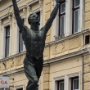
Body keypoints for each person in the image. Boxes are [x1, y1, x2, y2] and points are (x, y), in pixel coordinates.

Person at [12, 0, 61, 90]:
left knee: (35, 84)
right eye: (33, 16)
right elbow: (17, 15)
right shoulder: (26, 31)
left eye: (36, 16)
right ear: (30, 20)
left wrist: (57, 4)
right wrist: (14, 2)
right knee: (34, 80)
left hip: (39, 61)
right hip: (29, 61)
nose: (36, 16)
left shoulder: (42, 32)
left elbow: (51, 18)